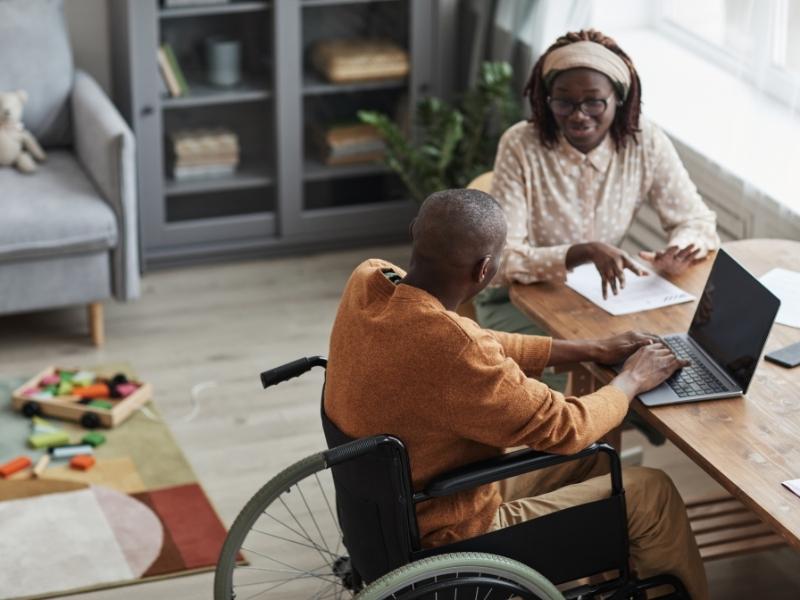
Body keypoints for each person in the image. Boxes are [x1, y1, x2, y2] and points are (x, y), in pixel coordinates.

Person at [324, 189, 708, 599]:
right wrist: (632, 379)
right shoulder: (453, 350)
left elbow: (472, 339)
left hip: (392, 512)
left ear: (415, 232)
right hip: (454, 533)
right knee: (652, 492)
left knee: (597, 464)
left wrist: (590, 348)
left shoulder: (370, 280)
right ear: (485, 269)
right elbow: (568, 426)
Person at [475, 28, 720, 338]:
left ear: (618, 99)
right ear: (546, 99)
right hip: (515, 299)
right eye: (563, 103)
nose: (578, 116)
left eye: (594, 103)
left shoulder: (644, 142)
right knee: (593, 374)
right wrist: (582, 252)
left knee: (666, 354)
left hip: (603, 297)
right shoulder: (520, 145)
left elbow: (697, 221)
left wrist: (678, 250)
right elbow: (503, 260)